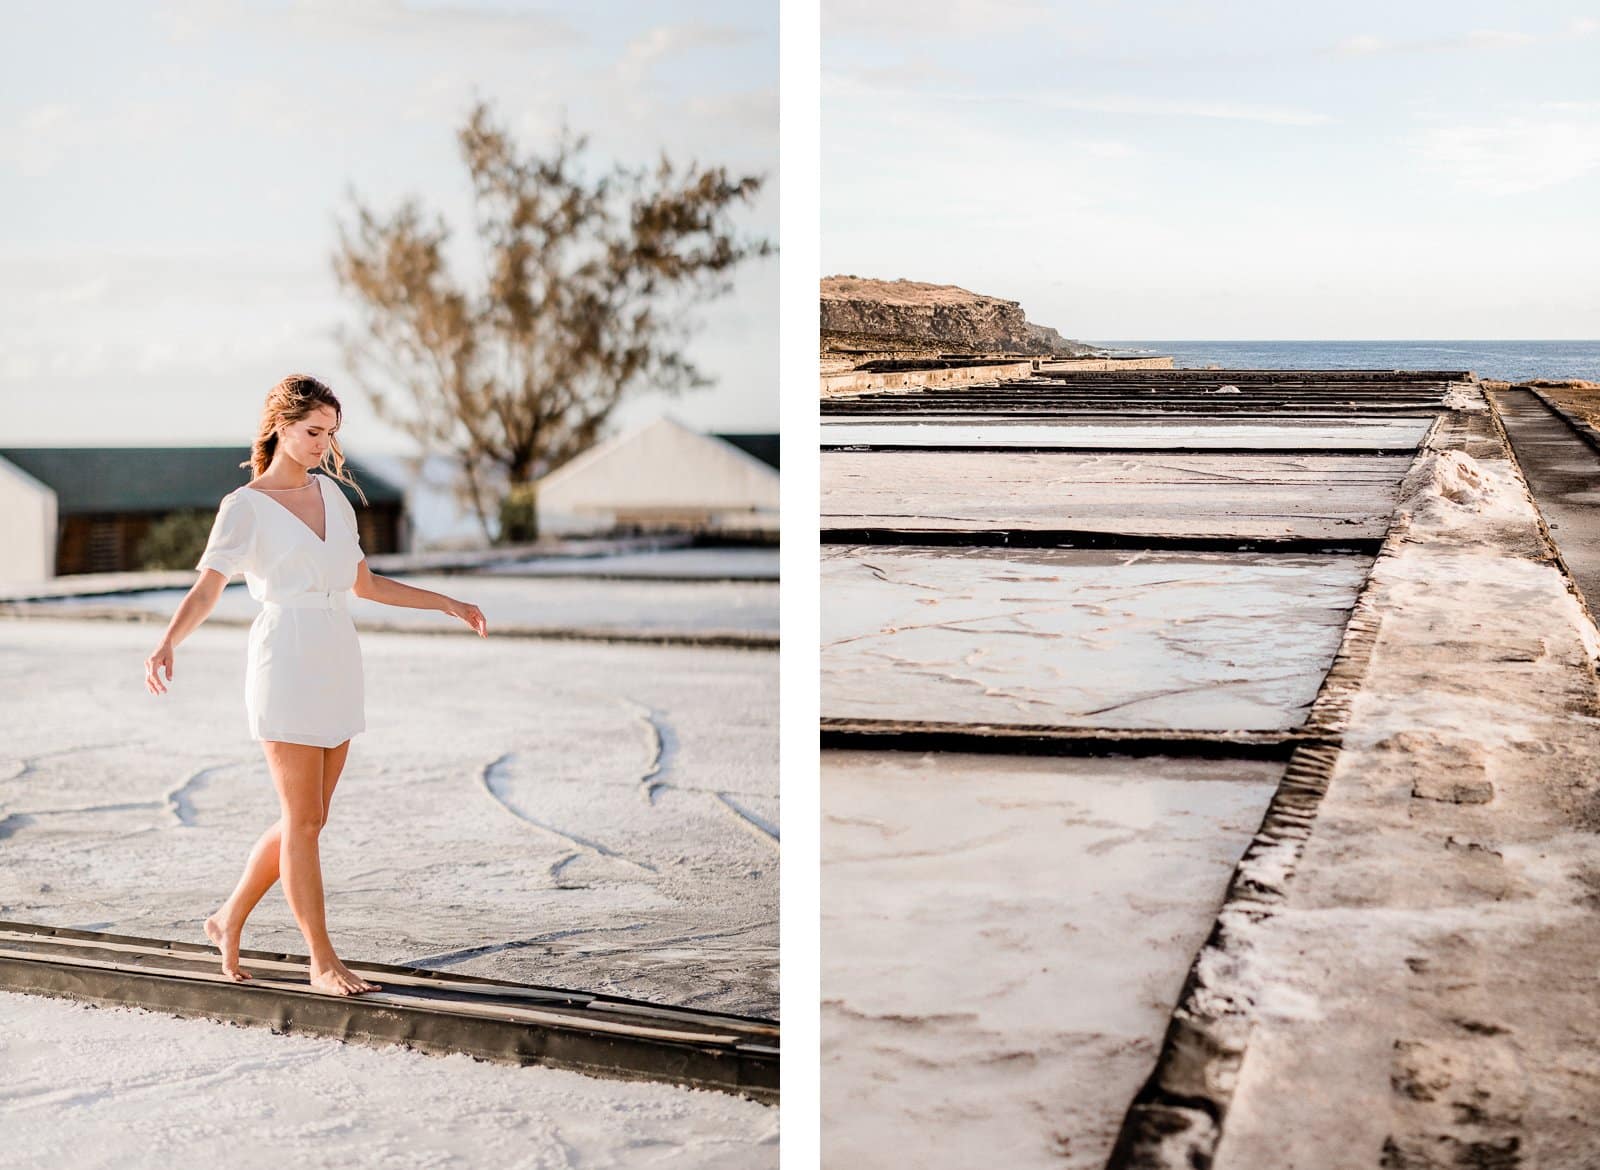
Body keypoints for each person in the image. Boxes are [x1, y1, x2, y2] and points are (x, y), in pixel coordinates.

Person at [143, 374, 488, 997]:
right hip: (286, 660)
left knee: (310, 818)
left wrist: (447, 603)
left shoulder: (333, 493)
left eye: (330, 434)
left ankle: (226, 920)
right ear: (281, 425)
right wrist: (169, 640)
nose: (322, 445)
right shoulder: (243, 507)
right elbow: (207, 588)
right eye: (311, 432)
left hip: (337, 655)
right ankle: (321, 960)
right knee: (302, 821)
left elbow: (367, 584)